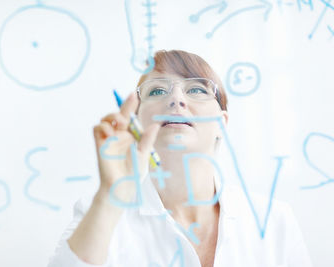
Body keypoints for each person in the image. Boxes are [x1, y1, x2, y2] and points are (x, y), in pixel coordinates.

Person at [48, 50, 312, 267]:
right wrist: (109, 196)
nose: (175, 99)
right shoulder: (102, 213)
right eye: (157, 91)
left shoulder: (275, 220)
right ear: (137, 122)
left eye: (197, 89)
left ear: (221, 124)